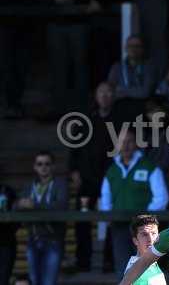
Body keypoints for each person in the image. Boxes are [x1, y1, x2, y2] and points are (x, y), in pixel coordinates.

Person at [100, 129, 169, 278]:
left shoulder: (150, 167)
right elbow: (105, 199)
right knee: (122, 269)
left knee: (147, 266)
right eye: (122, 142)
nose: (125, 146)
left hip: (144, 230)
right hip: (119, 227)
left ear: (137, 143)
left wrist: (143, 220)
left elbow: (161, 198)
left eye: (129, 141)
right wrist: (108, 218)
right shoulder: (111, 171)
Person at [69, 81, 121, 271]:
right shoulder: (85, 119)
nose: (105, 95)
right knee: (82, 220)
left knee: (110, 220)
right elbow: (73, 147)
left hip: (110, 179)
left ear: (113, 96)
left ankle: (109, 260)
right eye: (102, 92)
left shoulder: (120, 120)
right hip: (87, 179)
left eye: (109, 92)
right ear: (96, 96)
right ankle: (83, 260)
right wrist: (73, 170)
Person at [17, 151, 68, 285]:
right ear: (35, 167)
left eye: (47, 164)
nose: (43, 167)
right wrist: (20, 204)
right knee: (33, 281)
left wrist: (34, 205)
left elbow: (61, 206)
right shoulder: (29, 186)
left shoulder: (60, 184)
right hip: (33, 239)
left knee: (48, 283)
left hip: (53, 241)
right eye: (39, 164)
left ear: (53, 167)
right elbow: (18, 204)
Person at [123, 215, 167, 285]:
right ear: (135, 241)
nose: (150, 239)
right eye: (144, 234)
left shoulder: (152, 262)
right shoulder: (135, 269)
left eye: (153, 233)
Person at [0, 183, 18, 285]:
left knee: (3, 280)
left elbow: (17, 215)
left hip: (6, 242)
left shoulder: (7, 191)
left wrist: (10, 228)